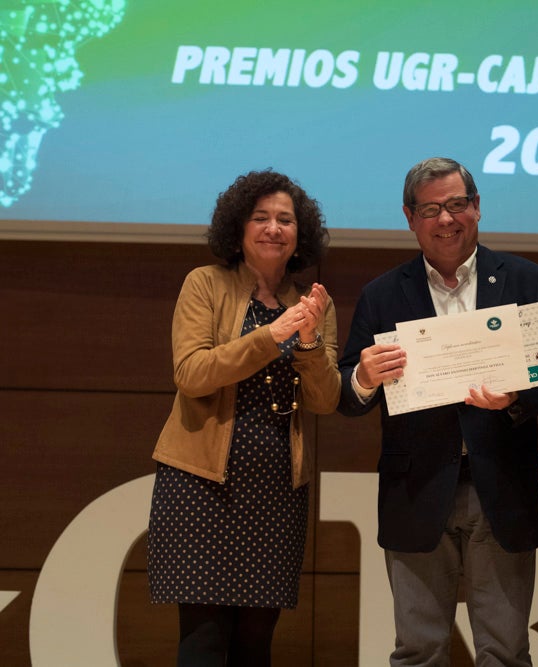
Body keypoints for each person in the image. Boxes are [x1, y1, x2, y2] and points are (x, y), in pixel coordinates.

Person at [337, 157, 538, 666]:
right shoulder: (382, 295)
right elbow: (347, 392)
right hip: (416, 489)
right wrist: (364, 377)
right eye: (431, 209)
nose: (446, 219)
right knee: (419, 650)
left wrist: (518, 395)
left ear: (476, 208)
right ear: (410, 218)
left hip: (502, 482)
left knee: (506, 651)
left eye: (456, 205)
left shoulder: (524, 279)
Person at [147, 170, 341, 666]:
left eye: (285, 219)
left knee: (256, 644)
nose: (273, 228)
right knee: (204, 640)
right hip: (201, 484)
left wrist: (308, 340)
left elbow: (324, 399)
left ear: (302, 232)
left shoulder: (313, 302)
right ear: (238, 228)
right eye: (261, 218)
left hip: (275, 486)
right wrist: (271, 335)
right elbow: (192, 373)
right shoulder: (205, 284)